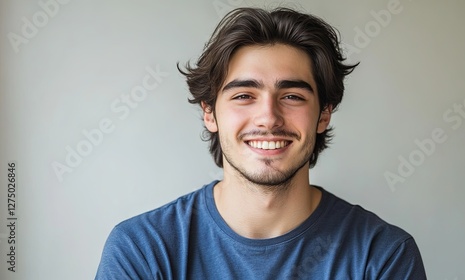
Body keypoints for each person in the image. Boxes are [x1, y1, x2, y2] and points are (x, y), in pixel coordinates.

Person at [95, 7, 426, 279]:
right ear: (209, 113)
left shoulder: (382, 256)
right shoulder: (142, 250)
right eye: (243, 96)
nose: (268, 117)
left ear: (324, 115)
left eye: (292, 96)